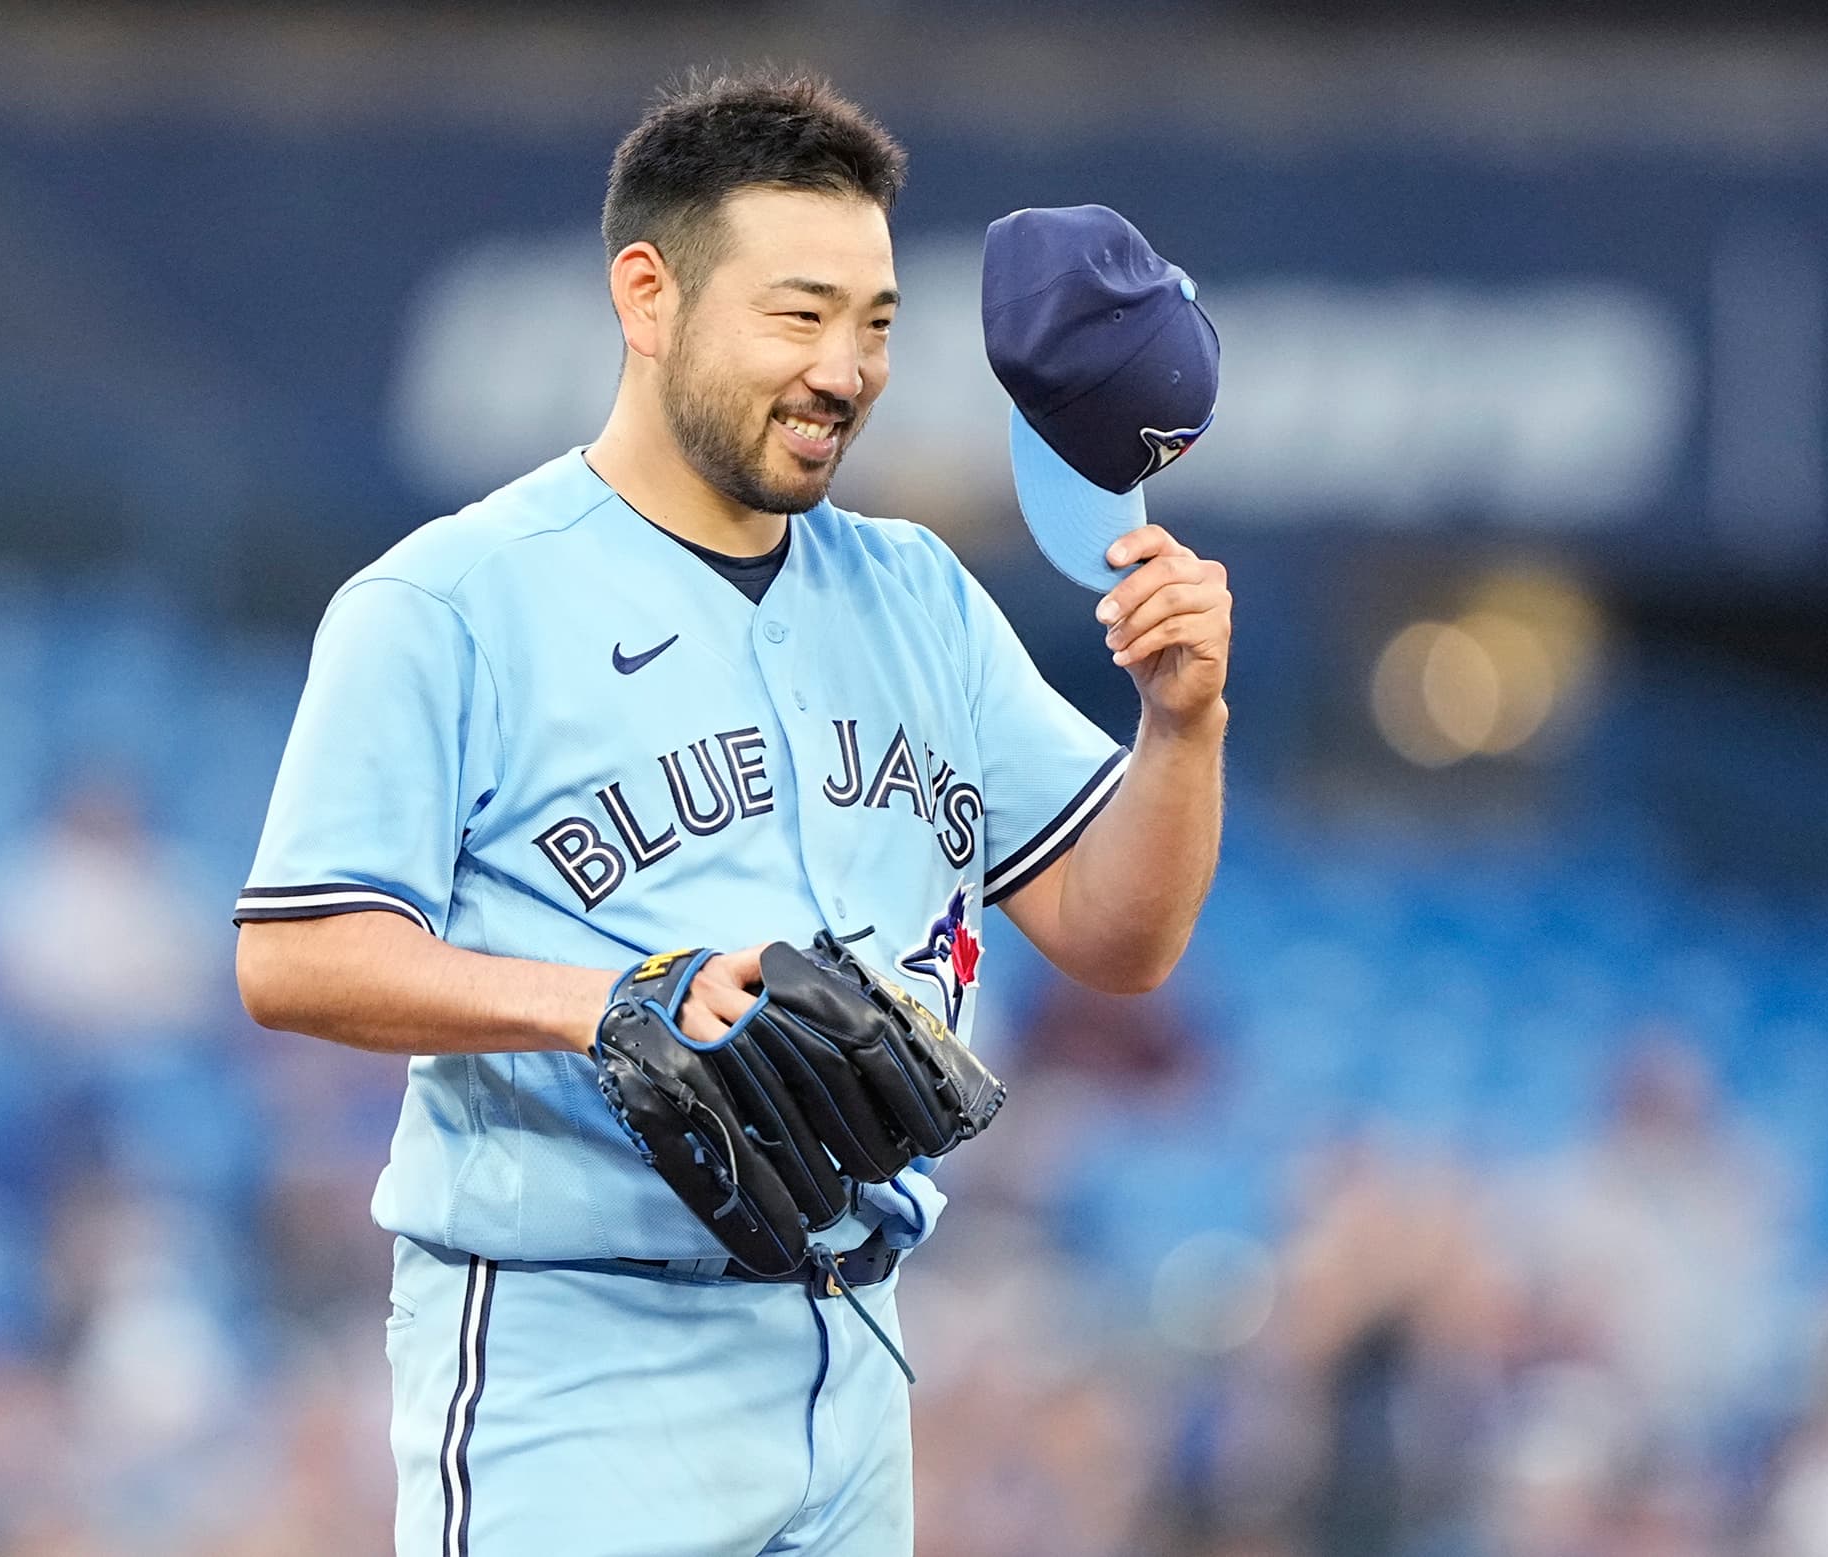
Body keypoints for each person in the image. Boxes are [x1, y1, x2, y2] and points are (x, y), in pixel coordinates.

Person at [232, 68, 1231, 1556]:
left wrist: (1181, 720)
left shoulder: (917, 600)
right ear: (648, 297)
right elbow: (295, 954)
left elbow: (1118, 935)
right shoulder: (450, 600)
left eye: (876, 322)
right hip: (576, 1367)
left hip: (849, 1351)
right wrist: (611, 1001)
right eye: (798, 312)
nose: (847, 365)